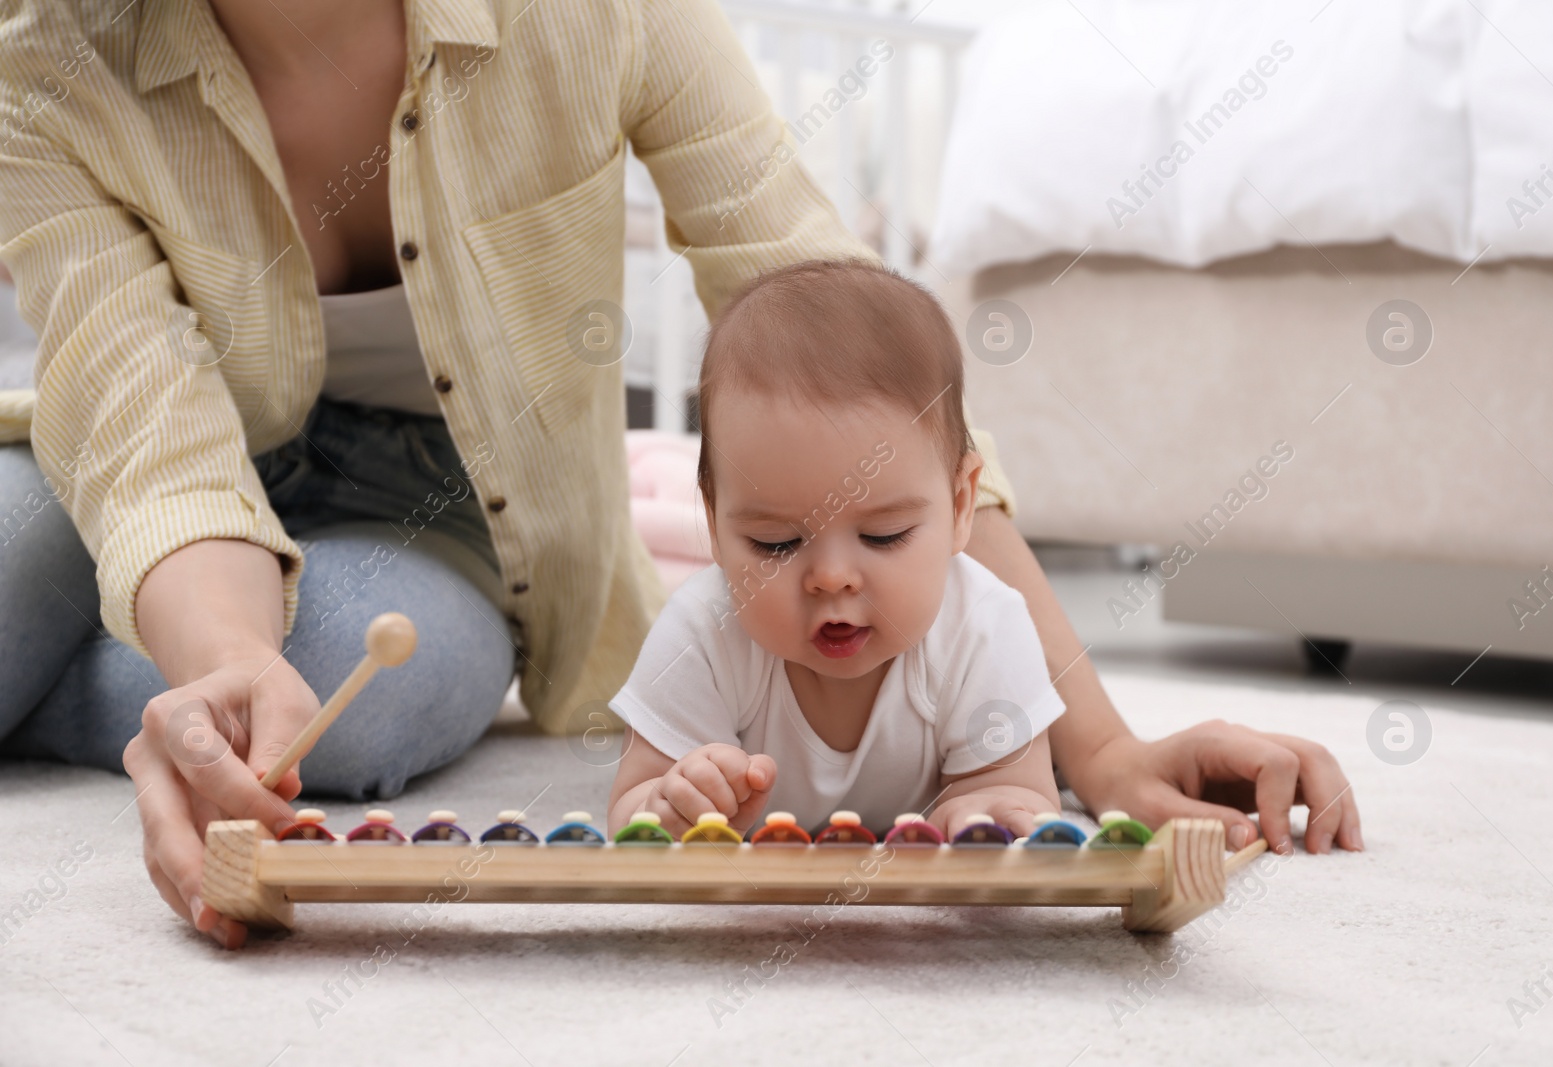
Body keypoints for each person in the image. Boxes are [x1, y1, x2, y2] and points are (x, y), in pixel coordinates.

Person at [0, 0, 1359, 950]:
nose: (831, 571)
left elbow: (861, 370)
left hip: (426, 506)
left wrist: (1103, 747)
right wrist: (220, 646)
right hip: (130, 474)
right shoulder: (41, 57)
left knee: (352, 688)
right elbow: (142, 432)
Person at [608, 261, 1066, 838]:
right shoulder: (702, 632)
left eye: (883, 535)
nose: (831, 578)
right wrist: (668, 803)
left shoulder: (985, 627)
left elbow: (1020, 789)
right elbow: (631, 807)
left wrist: (988, 807)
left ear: (959, 505)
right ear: (714, 522)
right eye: (775, 542)